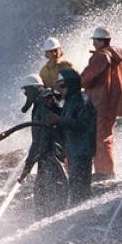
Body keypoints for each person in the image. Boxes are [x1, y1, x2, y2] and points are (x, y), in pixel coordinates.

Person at [80, 26, 122, 179]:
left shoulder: (100, 56)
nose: (93, 44)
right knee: (106, 135)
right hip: (113, 104)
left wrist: (73, 85)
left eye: (94, 41)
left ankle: (104, 172)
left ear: (101, 41)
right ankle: (105, 170)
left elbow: (86, 77)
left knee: (100, 137)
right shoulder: (120, 53)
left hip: (99, 104)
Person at [17, 74, 67, 218]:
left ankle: (53, 220)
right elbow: (38, 139)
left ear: (34, 89)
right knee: (42, 190)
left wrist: (30, 164)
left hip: (52, 155)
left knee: (48, 190)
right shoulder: (42, 102)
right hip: (49, 155)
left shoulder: (46, 101)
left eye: (26, 90)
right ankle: (45, 219)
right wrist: (28, 167)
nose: (25, 94)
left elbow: (43, 136)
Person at [49, 69, 96, 206]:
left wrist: (59, 120)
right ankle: (78, 215)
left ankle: (83, 217)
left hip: (81, 152)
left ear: (73, 84)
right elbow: (66, 122)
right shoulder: (70, 101)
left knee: (80, 189)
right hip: (73, 151)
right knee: (75, 187)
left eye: (63, 86)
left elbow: (83, 125)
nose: (61, 90)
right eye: (59, 87)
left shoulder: (82, 99)